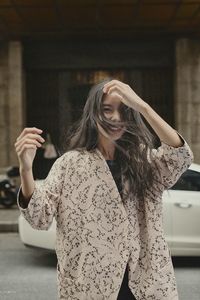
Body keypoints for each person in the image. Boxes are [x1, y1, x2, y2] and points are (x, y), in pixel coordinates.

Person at [15, 79, 193, 300]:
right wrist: (26, 169)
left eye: (125, 111)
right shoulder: (70, 164)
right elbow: (38, 217)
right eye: (106, 110)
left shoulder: (144, 159)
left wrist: (143, 107)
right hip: (90, 286)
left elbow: (180, 157)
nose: (116, 118)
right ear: (92, 113)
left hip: (146, 285)